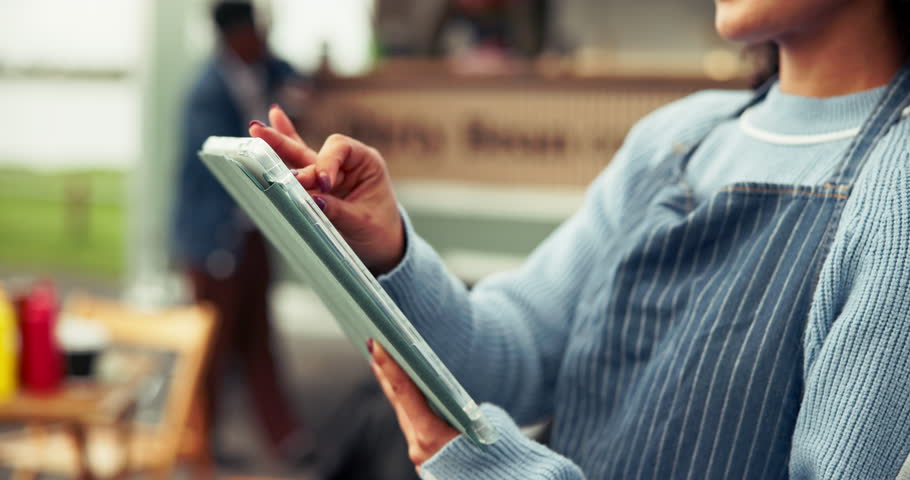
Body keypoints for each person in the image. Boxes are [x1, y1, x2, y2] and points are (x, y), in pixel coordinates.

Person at [246, 0, 910, 477]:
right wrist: (388, 249)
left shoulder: (898, 182)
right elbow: (508, 354)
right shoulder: (679, 138)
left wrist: (496, 469)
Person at [172, 0, 306, 463]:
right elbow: (216, 166)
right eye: (253, 29)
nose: (261, 36)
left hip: (251, 233)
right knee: (210, 352)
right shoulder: (205, 92)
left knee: (258, 338)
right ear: (232, 35)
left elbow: (291, 71)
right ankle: (199, 447)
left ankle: (284, 438)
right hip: (215, 239)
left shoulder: (265, 69)